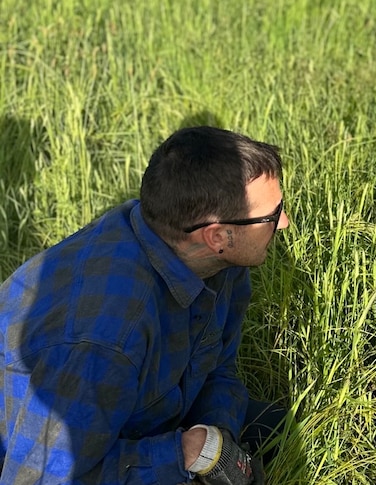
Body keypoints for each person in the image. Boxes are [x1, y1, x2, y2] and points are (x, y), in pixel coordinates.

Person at [0, 126, 288, 483]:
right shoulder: (105, 338)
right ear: (217, 236)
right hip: (51, 452)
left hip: (143, 412)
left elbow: (218, 370)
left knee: (289, 430)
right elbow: (36, 477)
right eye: (272, 217)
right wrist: (180, 455)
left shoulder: (216, 258)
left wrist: (216, 442)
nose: (284, 224)